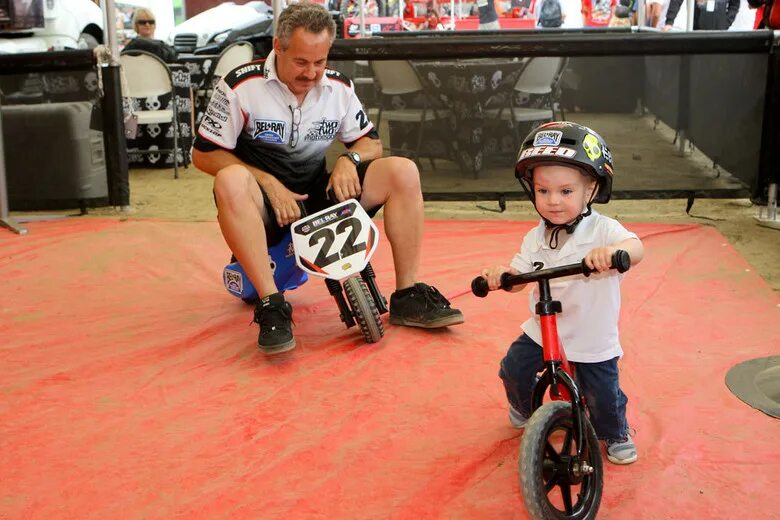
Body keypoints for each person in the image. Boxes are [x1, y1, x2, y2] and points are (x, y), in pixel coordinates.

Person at [192, 2, 464, 355]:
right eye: (301, 62)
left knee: (403, 170)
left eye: (320, 62)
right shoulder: (240, 85)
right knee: (228, 179)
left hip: (319, 196)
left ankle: (407, 295)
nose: (311, 73)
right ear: (278, 47)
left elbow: (370, 143)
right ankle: (271, 305)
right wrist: (268, 183)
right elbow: (203, 154)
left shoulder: (339, 88)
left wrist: (349, 159)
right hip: (265, 208)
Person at [477, 122, 645, 465]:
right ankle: (527, 409)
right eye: (543, 191)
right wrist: (502, 276)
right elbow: (520, 276)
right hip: (544, 330)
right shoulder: (534, 237)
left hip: (591, 334)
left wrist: (613, 254)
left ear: (591, 189)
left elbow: (636, 246)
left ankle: (615, 431)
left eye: (566, 191)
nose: (553, 201)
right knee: (513, 368)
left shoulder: (603, 230)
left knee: (602, 395)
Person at [662, 0, 741, 30]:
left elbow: (735, 5)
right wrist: (669, 22)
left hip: (719, 31)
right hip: (697, 30)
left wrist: (726, 23)